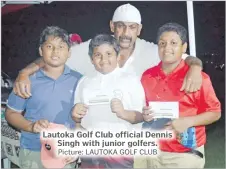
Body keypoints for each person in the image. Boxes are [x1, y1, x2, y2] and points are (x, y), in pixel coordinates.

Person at [13, 3, 203, 98]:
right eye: (120, 26)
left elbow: (185, 58)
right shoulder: (94, 46)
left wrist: (195, 68)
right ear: (112, 26)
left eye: (132, 27)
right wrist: (24, 72)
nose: (126, 33)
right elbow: (54, 58)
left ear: (139, 29)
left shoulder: (151, 51)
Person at [140, 22, 221, 168]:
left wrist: (188, 121)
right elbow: (144, 109)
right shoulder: (147, 76)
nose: (167, 48)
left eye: (173, 43)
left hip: (184, 155)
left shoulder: (199, 78)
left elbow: (215, 113)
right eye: (162, 43)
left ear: (184, 47)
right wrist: (145, 114)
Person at [5, 26, 82, 168]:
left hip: (64, 154)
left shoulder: (80, 81)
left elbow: (85, 120)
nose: (55, 51)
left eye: (61, 46)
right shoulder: (27, 80)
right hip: (33, 151)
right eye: (49, 46)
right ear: (41, 50)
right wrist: (31, 126)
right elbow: (11, 113)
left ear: (69, 52)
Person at [72, 34, 145, 168]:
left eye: (109, 54)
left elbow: (141, 116)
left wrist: (124, 113)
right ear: (91, 59)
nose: (103, 59)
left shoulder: (131, 80)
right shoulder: (84, 82)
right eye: (98, 55)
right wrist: (75, 115)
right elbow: (78, 122)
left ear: (118, 56)